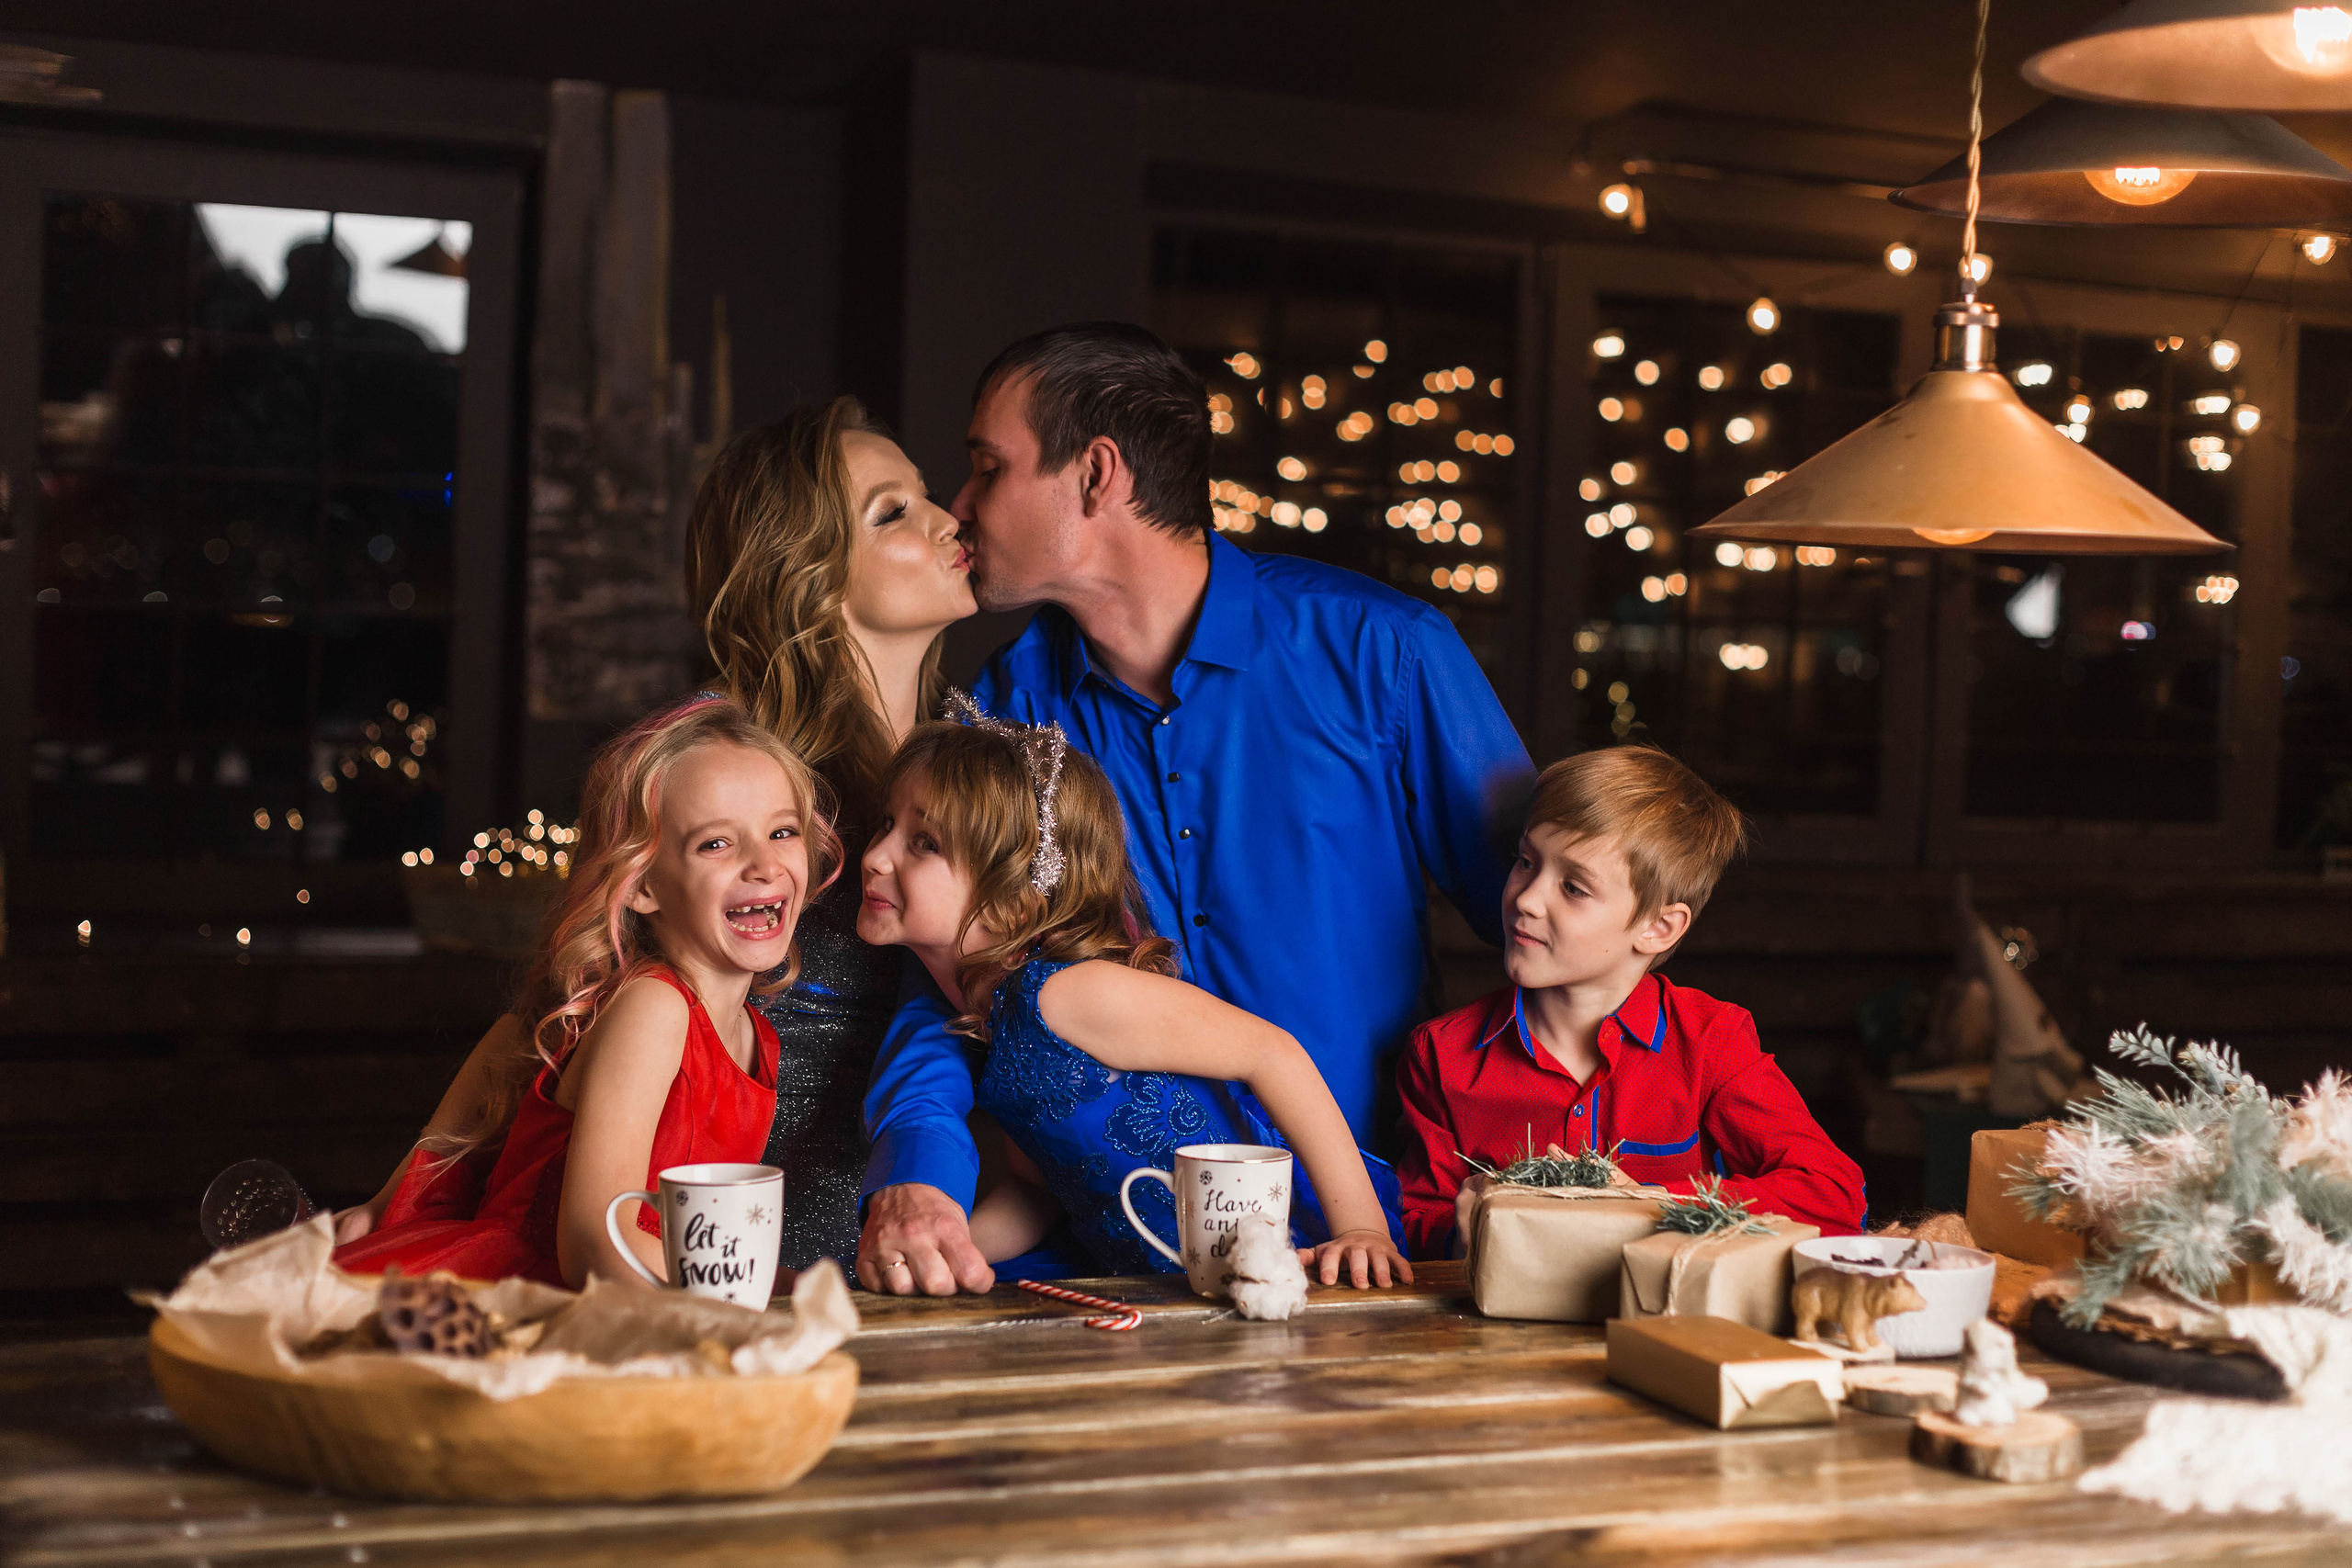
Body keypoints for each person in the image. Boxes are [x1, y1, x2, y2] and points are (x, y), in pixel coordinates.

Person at [858, 322, 1533, 1295]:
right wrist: (916, 1173)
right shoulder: (1006, 715)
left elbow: (1559, 926)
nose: (960, 507)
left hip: (1374, 1249)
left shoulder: (1384, 654)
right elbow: (946, 983)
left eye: (985, 467)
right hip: (1118, 1263)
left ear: (1095, 476)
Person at [336, 397, 976, 1272]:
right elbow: (554, 1009)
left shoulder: (966, 756)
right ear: (811, 574)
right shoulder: (721, 758)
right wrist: (399, 1191)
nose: (950, 519)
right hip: (695, 1245)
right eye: (894, 510)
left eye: (929, 495)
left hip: (899, 1238)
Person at [858, 705, 1412, 1287]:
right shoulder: (992, 1023)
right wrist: (939, 1254)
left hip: (1299, 1255)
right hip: (1174, 1284)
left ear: (1015, 901)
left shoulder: (1065, 994)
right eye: (886, 825)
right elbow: (1036, 1191)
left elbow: (1275, 1053)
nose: (874, 855)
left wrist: (1362, 1231)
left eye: (923, 842)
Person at [333, 697, 834, 1287]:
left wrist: (776, 1285)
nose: (764, 864)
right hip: (535, 1303)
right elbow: (595, 1246)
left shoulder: (757, 1035)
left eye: (782, 831)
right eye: (716, 844)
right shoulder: (655, 1005)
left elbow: (513, 1036)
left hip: (649, 1308)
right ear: (642, 885)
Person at [1394, 746, 1867, 1259]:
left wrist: (1655, 1206)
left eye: (1573, 887)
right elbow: (1415, 1220)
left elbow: (1836, 1195)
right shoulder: (1442, 1055)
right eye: (1526, 862)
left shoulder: (1709, 1040)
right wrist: (1460, 1226)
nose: (1526, 899)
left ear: (1657, 927)